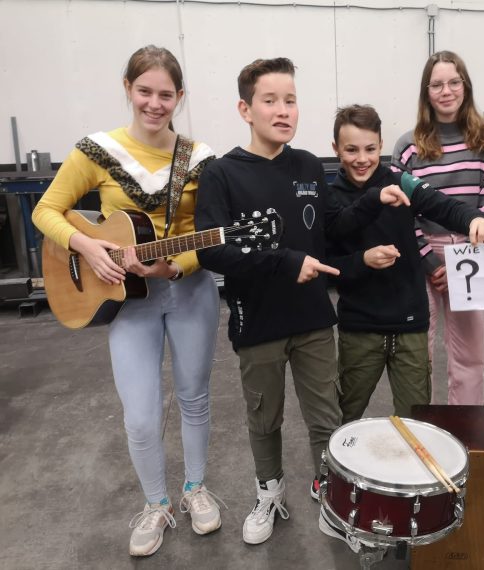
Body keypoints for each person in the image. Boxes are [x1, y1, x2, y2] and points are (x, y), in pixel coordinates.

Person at [194, 59, 410, 546]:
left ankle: (331, 497)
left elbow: (333, 227)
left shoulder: (310, 165)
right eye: (270, 100)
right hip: (258, 323)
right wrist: (284, 261)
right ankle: (269, 493)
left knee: (326, 418)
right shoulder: (221, 174)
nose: (283, 110)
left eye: (290, 100)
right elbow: (211, 251)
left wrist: (374, 200)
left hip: (313, 319)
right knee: (263, 417)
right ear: (245, 109)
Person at [32, 45, 222, 556]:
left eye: (166, 95)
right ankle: (156, 503)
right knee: (139, 414)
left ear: (179, 97)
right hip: (126, 299)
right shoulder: (97, 151)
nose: (154, 104)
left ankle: (195, 488)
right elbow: (47, 211)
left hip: (189, 291)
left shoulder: (198, 158)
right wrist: (88, 246)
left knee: (194, 397)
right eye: (144, 91)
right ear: (128, 89)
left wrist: (175, 265)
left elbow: (209, 232)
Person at [327, 104, 484, 426]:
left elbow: (443, 207)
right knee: (344, 416)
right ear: (336, 148)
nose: (361, 158)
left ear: (381, 145)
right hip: (360, 328)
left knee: (416, 420)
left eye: (370, 149)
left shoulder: (401, 182)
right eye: (351, 150)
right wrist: (362, 260)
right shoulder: (330, 198)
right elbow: (329, 265)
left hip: (410, 327)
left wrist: (474, 218)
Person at [391, 50, 484, 405]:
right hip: (421, 253)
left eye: (454, 82)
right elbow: (402, 214)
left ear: (465, 86)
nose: (446, 91)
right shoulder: (408, 147)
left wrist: (459, 262)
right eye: (437, 84)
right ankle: (420, 428)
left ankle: (464, 428)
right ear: (426, 92)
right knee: (416, 354)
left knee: (470, 356)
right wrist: (431, 264)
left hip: (471, 254)